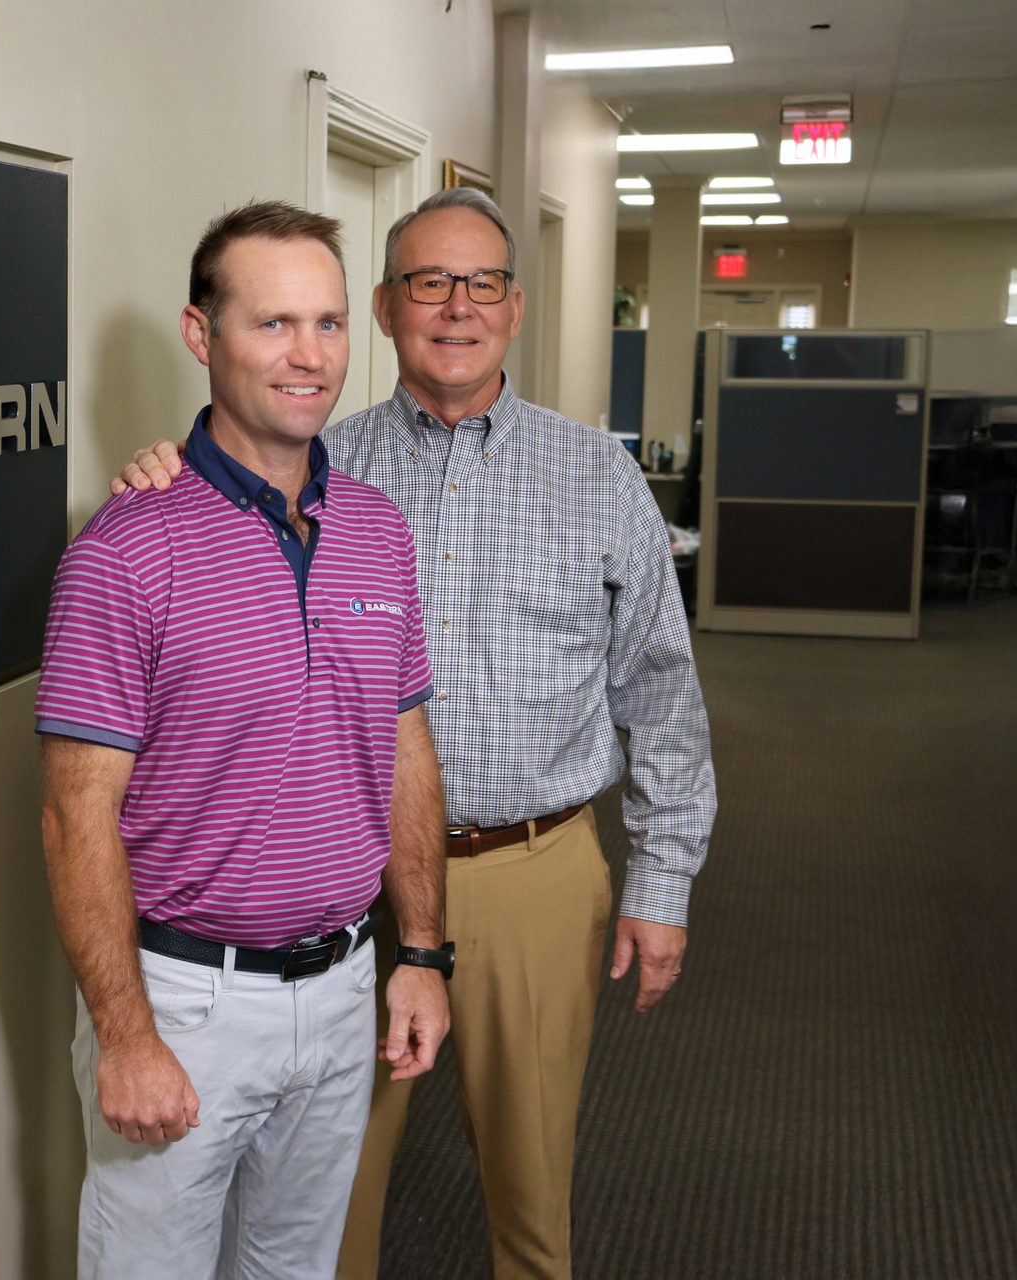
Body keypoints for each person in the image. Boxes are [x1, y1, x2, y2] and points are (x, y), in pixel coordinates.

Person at [114, 188, 717, 1280]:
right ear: (386, 309)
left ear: (517, 307)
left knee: (532, 1200)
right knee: (327, 1205)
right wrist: (159, 473)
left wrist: (661, 880)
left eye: (482, 282)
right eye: (428, 283)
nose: (456, 307)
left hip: (534, 867)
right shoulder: (312, 464)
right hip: (353, 890)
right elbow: (199, 526)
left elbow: (663, 693)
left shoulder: (597, 475)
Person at [38, 200, 455, 1280]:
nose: (308, 355)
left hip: (342, 982)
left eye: (325, 322)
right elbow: (72, 811)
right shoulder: (126, 549)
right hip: (187, 1001)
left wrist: (420, 950)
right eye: (273, 323)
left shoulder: (376, 528)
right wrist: (125, 1033)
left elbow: (405, 747)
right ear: (201, 333)